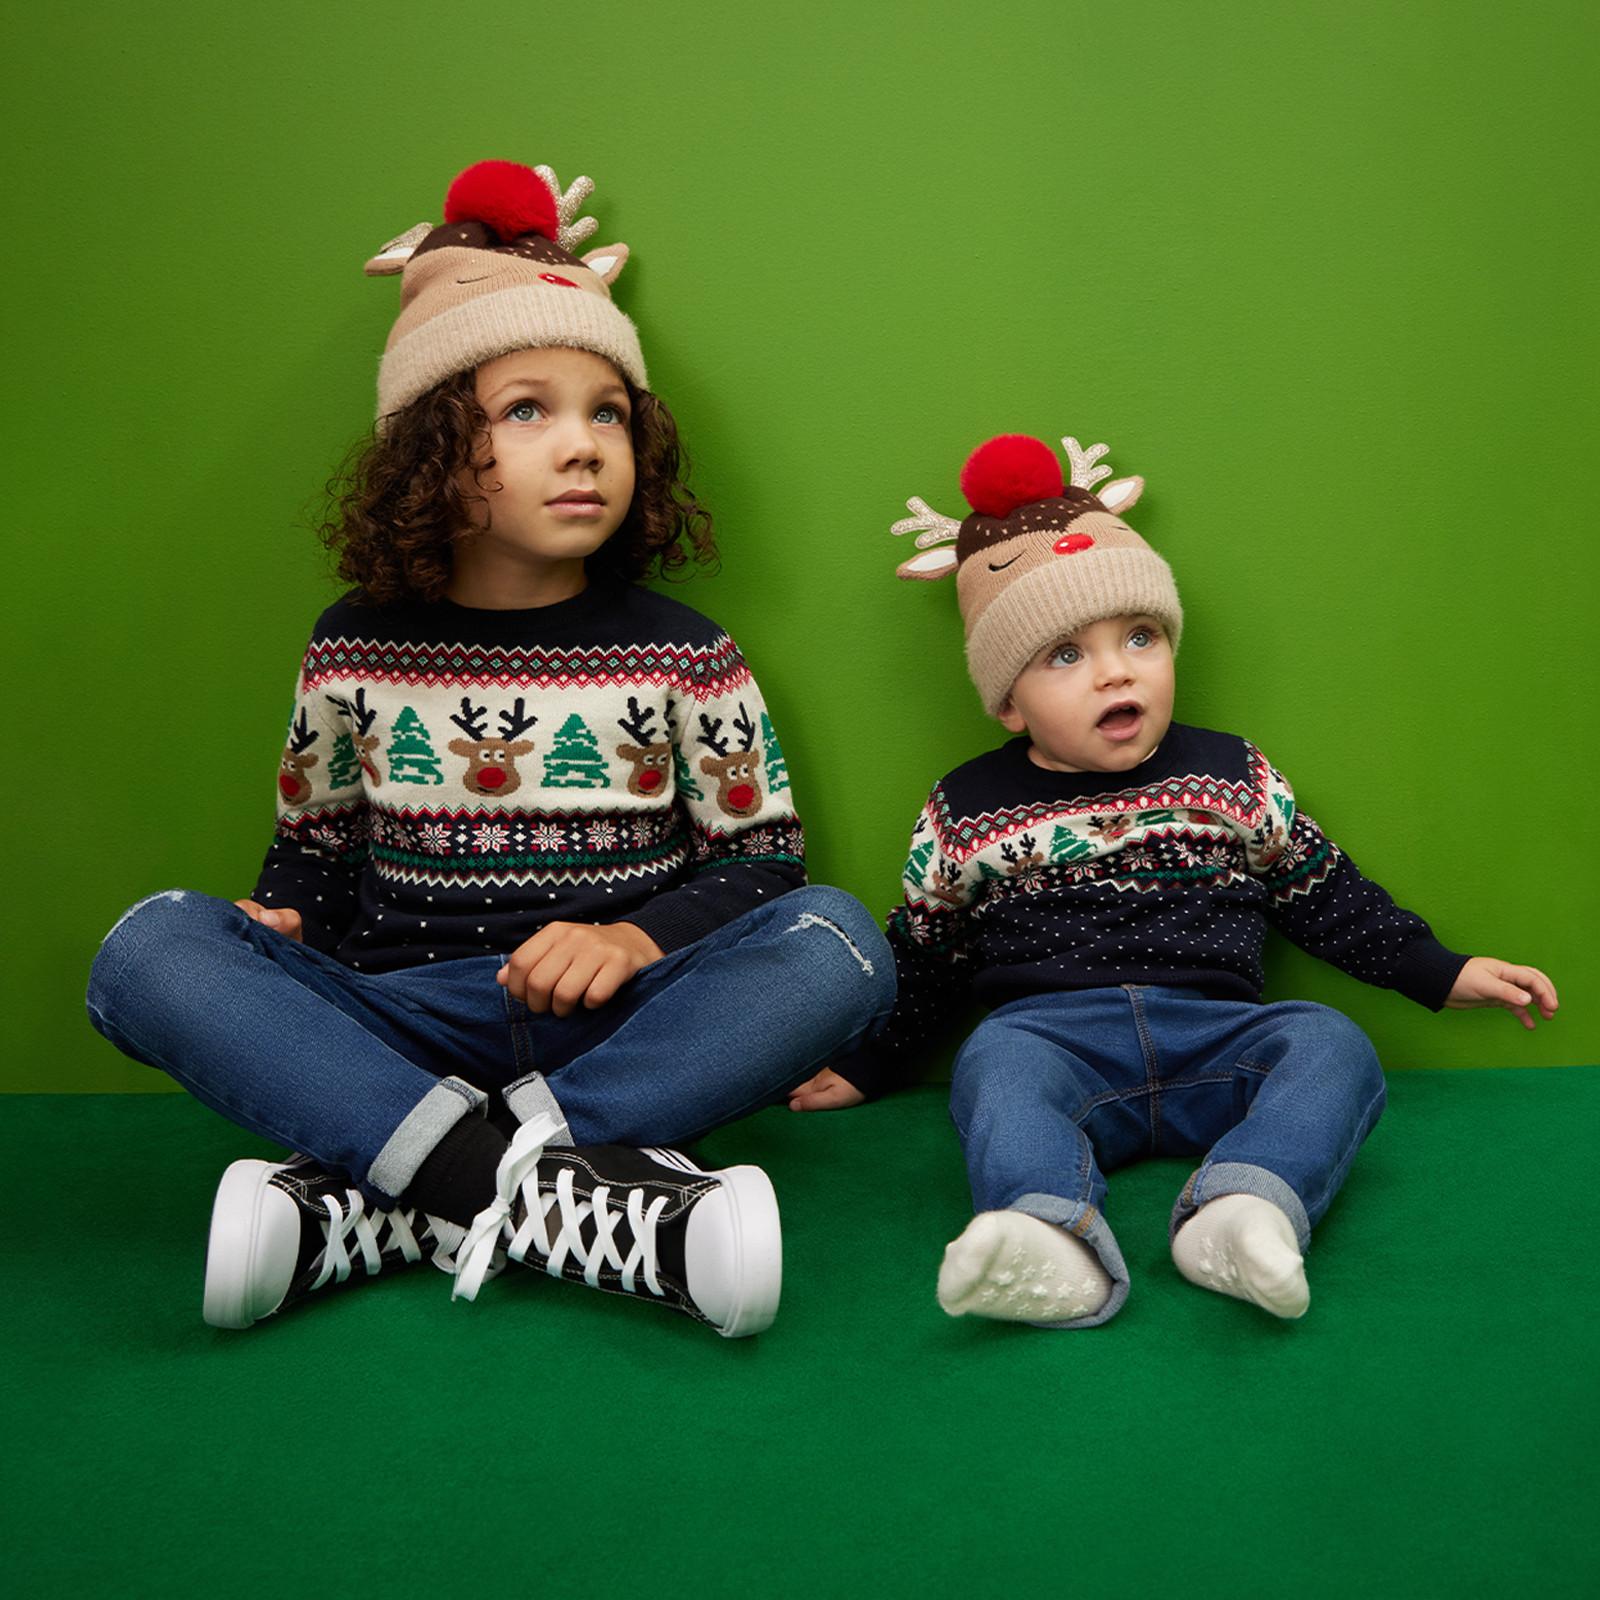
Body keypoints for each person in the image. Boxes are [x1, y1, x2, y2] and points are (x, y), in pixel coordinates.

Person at [86, 159, 893, 1338]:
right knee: (148, 947)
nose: (582, 447)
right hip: (397, 1019)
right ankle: (563, 1193)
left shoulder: (684, 653)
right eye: (528, 410)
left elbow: (762, 867)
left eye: (606, 413)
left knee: (841, 940)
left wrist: (628, 936)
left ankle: (392, 1198)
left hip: (624, 1023)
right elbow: (311, 852)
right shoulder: (350, 643)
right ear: (430, 453)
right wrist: (274, 925)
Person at [789, 431, 1557, 1327]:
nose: (1116, 669)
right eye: (1064, 656)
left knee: (1331, 1043)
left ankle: (1247, 1206)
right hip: (1052, 1037)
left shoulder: (1228, 776)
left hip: (1218, 1035)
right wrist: (871, 1060)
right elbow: (926, 950)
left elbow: (1323, 892)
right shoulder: (968, 808)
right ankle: (1051, 1233)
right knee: (993, 1069)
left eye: (1140, 636)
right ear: (1007, 699)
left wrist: (1439, 968)